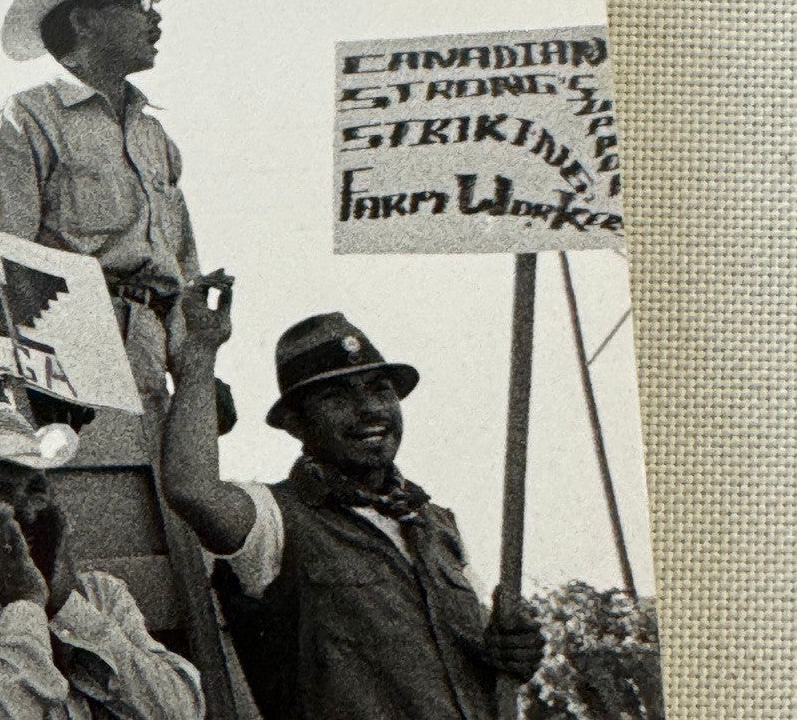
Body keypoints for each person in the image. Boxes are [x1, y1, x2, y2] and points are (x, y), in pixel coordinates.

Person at [161, 279, 546, 720]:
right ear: (295, 424)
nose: (369, 409)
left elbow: (486, 661)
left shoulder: (437, 527)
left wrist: (512, 650)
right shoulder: (276, 521)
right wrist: (199, 353)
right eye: (336, 396)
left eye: (380, 389)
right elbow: (192, 489)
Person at [0, 0, 233, 432]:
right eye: (136, 4)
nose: (154, 21)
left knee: (157, 498)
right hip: (70, 349)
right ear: (83, 20)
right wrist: (29, 375)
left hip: (151, 352)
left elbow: (179, 268)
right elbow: (1, 262)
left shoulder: (154, 137)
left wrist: (198, 374)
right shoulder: (27, 117)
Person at [0, 401, 206, 718]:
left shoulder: (99, 593)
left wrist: (65, 603)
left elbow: (181, 710)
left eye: (35, 488)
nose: (27, 510)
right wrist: (26, 604)